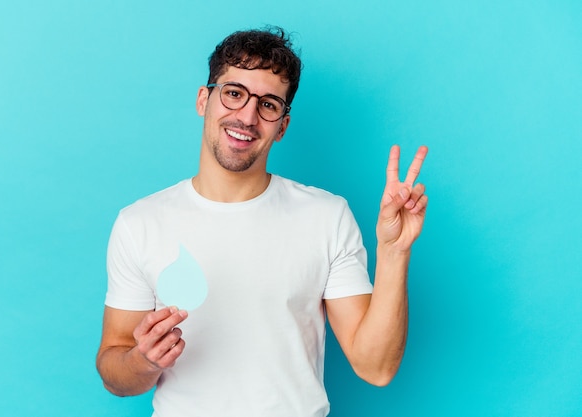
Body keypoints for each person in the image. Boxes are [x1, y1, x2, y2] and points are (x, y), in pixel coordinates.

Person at [96, 26, 428, 417]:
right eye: (234, 93)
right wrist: (143, 361)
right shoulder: (140, 223)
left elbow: (376, 367)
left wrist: (393, 251)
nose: (247, 116)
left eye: (268, 104)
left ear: (282, 126)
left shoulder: (326, 216)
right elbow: (113, 370)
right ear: (204, 99)